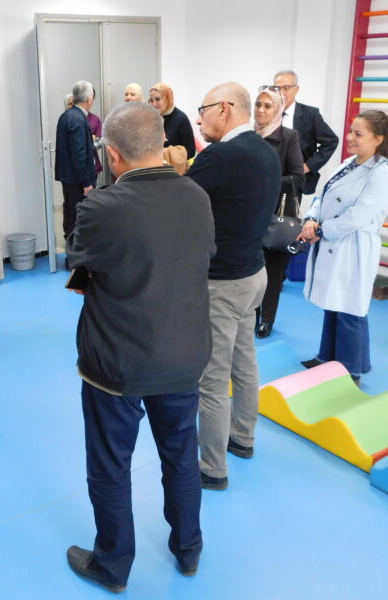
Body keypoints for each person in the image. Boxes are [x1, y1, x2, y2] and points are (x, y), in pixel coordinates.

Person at [65, 102, 215, 592]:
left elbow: (81, 260)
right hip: (183, 353)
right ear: (161, 141)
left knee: (110, 465)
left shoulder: (100, 207)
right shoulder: (197, 196)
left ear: (111, 155)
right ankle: (189, 550)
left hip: (117, 362)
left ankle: (112, 567)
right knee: (181, 457)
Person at [187, 82, 281, 491]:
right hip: (254, 275)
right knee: (245, 364)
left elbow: (177, 199)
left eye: (203, 110)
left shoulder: (221, 156)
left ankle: (212, 467)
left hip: (223, 284)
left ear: (223, 109)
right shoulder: (265, 150)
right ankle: (243, 438)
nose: (199, 119)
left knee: (211, 379)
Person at [297, 110, 388, 385]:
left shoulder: (381, 173)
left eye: (358, 134)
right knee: (332, 303)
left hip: (353, 246)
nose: (349, 137)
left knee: (349, 307)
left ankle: (351, 370)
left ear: (378, 139)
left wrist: (321, 230)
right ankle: (327, 358)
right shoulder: (349, 163)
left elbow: (357, 216)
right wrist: (311, 219)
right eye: (350, 131)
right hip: (332, 241)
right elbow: (322, 196)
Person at [254, 87, 305, 338]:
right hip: (249, 214)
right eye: (258, 104)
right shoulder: (248, 136)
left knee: (272, 272)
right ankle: (251, 315)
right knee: (250, 269)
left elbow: (298, 178)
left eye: (268, 106)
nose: (261, 110)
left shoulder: (289, 137)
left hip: (275, 214)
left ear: (278, 110)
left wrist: (266, 180)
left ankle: (267, 319)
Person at [273, 70, 339, 195]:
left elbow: (331, 141)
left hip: (294, 180)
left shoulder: (310, 114)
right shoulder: (268, 112)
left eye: (286, 88)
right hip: (270, 177)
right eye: (277, 88)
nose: (281, 92)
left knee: (287, 208)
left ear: (296, 89)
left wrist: (308, 166)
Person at [54, 81, 96, 247]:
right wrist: (86, 182)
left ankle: (70, 252)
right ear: (89, 98)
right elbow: (79, 154)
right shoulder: (78, 119)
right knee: (79, 217)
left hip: (68, 178)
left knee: (70, 214)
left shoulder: (66, 116)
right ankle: (76, 254)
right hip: (77, 181)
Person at [148, 82, 196, 158]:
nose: (154, 104)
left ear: (167, 98)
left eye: (157, 99)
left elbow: (190, 152)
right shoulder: (152, 118)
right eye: (151, 100)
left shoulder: (181, 118)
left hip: (173, 165)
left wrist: (165, 153)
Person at [86, 89, 103, 180]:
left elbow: (100, 142)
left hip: (93, 167)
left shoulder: (95, 119)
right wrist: (90, 138)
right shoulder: (71, 119)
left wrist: (85, 142)